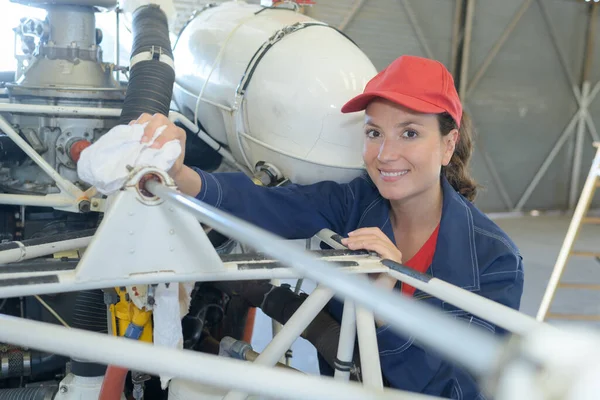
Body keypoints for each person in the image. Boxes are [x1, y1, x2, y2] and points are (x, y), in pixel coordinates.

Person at [132, 55, 524, 398]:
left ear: (448, 144)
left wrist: (382, 308)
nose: (385, 154)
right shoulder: (355, 202)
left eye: (409, 133)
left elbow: (457, 391)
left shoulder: (494, 261)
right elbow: (267, 205)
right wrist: (179, 174)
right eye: (374, 133)